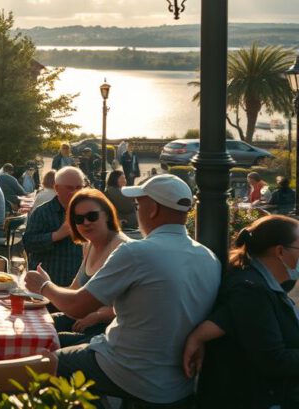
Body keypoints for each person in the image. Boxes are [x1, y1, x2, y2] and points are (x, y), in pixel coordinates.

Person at [25, 174, 220, 405]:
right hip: (178, 384)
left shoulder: (137, 252)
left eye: (138, 205)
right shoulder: (210, 258)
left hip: (128, 370)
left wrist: (43, 286)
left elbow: (77, 307)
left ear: (153, 209)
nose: (136, 211)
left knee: (45, 363)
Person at [182, 215, 299, 409]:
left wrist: (200, 335)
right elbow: (273, 360)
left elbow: (238, 317)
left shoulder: (257, 282)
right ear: (280, 251)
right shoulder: (251, 289)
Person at [51, 189, 131, 347]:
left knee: (50, 342)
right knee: (39, 325)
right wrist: (39, 296)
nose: (86, 222)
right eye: (78, 219)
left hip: (109, 330)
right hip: (81, 318)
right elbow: (75, 289)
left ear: (107, 214)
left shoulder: (121, 248)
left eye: (92, 216)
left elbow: (132, 305)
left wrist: (98, 315)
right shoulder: (88, 245)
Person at [22, 167, 86, 288]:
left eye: (79, 187)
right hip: (48, 285)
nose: (75, 192)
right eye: (69, 188)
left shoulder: (87, 212)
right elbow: (28, 244)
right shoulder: (43, 212)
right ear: (57, 188)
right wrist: (56, 235)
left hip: (78, 286)